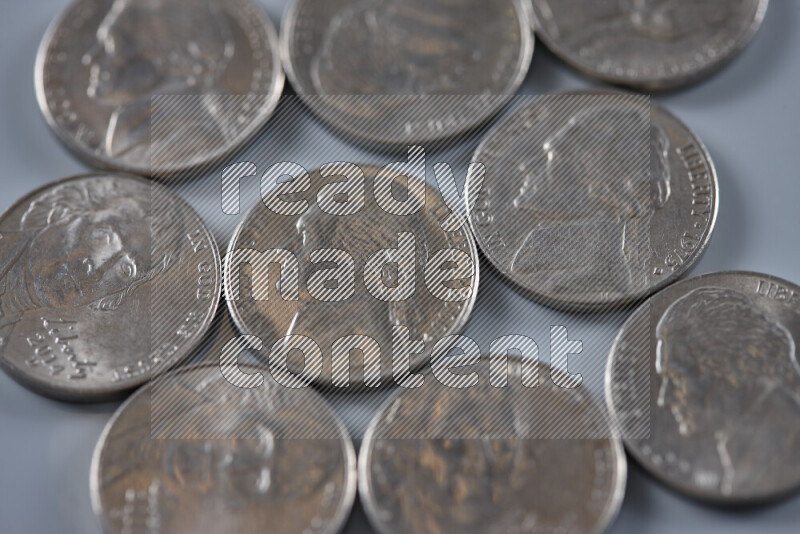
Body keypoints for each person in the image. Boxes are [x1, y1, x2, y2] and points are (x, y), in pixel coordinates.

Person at [510, 105, 671, 297]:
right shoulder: (538, 241)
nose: (526, 165)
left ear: (595, 178)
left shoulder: (540, 253)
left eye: (555, 155)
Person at [655, 287, 800, 495]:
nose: (665, 398)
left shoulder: (789, 444)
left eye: (678, 378)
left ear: (731, 366)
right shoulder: (745, 450)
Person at [0, 179, 176, 340]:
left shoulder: (23, 340)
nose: (97, 269)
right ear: (68, 213)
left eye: (126, 269)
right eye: (103, 236)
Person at [83, 0, 237, 165]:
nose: (89, 58)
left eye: (112, 42)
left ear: (159, 54)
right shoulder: (127, 125)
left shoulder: (191, 137)